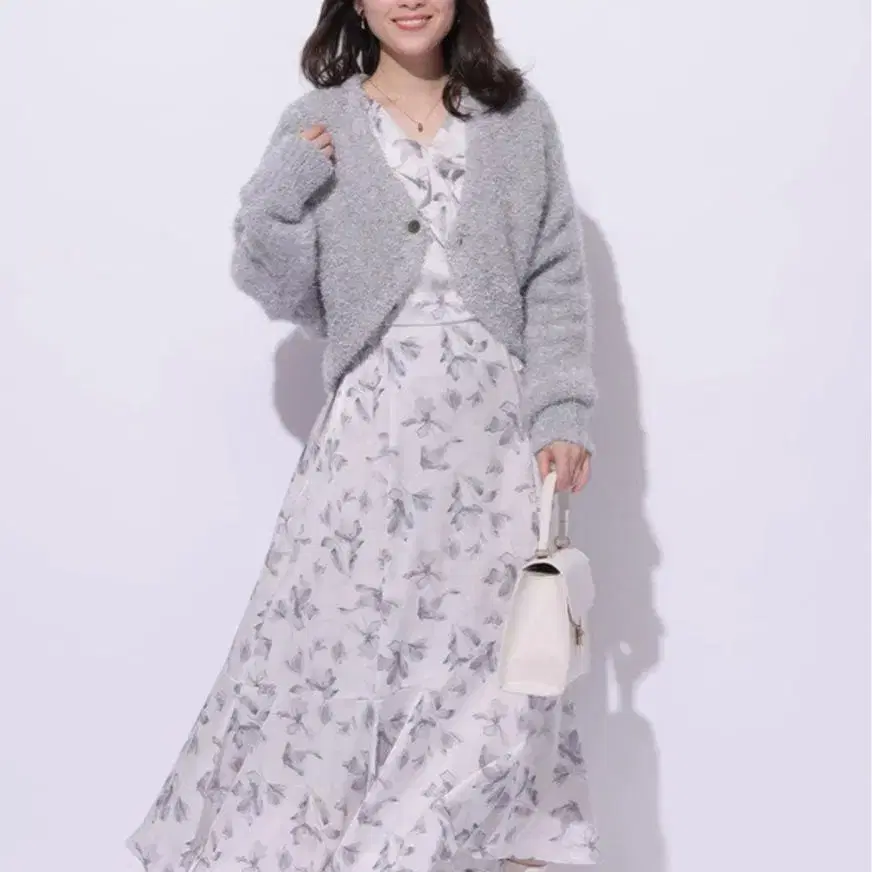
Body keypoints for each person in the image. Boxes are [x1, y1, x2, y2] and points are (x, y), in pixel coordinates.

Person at [126, 1, 598, 870]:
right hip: (372, 435)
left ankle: (461, 848)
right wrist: (274, 203)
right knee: (341, 650)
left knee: (488, 663)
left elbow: (556, 275)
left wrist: (563, 409)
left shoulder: (518, 118)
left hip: (494, 441)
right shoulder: (318, 122)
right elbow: (281, 289)